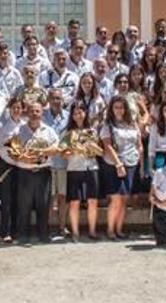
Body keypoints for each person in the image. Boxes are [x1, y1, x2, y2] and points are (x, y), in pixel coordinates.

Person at [12, 102, 60, 245]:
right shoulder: (18, 130)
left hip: (43, 171)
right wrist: (24, 157)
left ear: (41, 113)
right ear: (27, 113)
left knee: (43, 204)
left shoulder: (49, 130)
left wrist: (41, 151)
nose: (34, 113)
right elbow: (13, 152)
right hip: (24, 171)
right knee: (23, 205)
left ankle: (43, 234)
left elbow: (56, 148)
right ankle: (23, 235)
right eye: (32, 111)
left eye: (37, 111)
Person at [100, 95, 143, 240]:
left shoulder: (132, 124)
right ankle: (110, 230)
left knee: (125, 199)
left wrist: (139, 155)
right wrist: (118, 163)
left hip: (131, 163)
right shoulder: (108, 125)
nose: (119, 110)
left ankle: (119, 230)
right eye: (116, 107)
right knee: (116, 199)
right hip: (114, 164)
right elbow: (107, 146)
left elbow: (139, 143)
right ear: (112, 109)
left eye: (122, 107)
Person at [61, 104, 101, 242]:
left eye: (81, 112)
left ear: (85, 114)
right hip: (74, 168)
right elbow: (63, 155)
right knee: (74, 202)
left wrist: (92, 147)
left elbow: (101, 152)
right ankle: (75, 233)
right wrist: (73, 150)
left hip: (91, 168)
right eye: (76, 113)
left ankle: (92, 231)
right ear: (72, 116)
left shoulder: (92, 131)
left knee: (93, 201)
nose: (79, 115)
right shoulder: (68, 132)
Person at [0, 97, 24, 243]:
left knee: (19, 200)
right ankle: (4, 231)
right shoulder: (2, 127)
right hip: (6, 165)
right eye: (14, 108)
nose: (17, 110)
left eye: (19, 107)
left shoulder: (25, 126)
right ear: (10, 109)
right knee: (6, 201)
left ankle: (16, 232)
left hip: (22, 166)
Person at [42, 88, 71, 238]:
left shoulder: (68, 117)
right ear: (48, 100)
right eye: (53, 98)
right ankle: (46, 227)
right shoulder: (42, 116)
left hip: (63, 162)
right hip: (46, 163)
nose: (56, 101)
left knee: (62, 196)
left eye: (58, 98)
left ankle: (62, 226)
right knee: (48, 197)